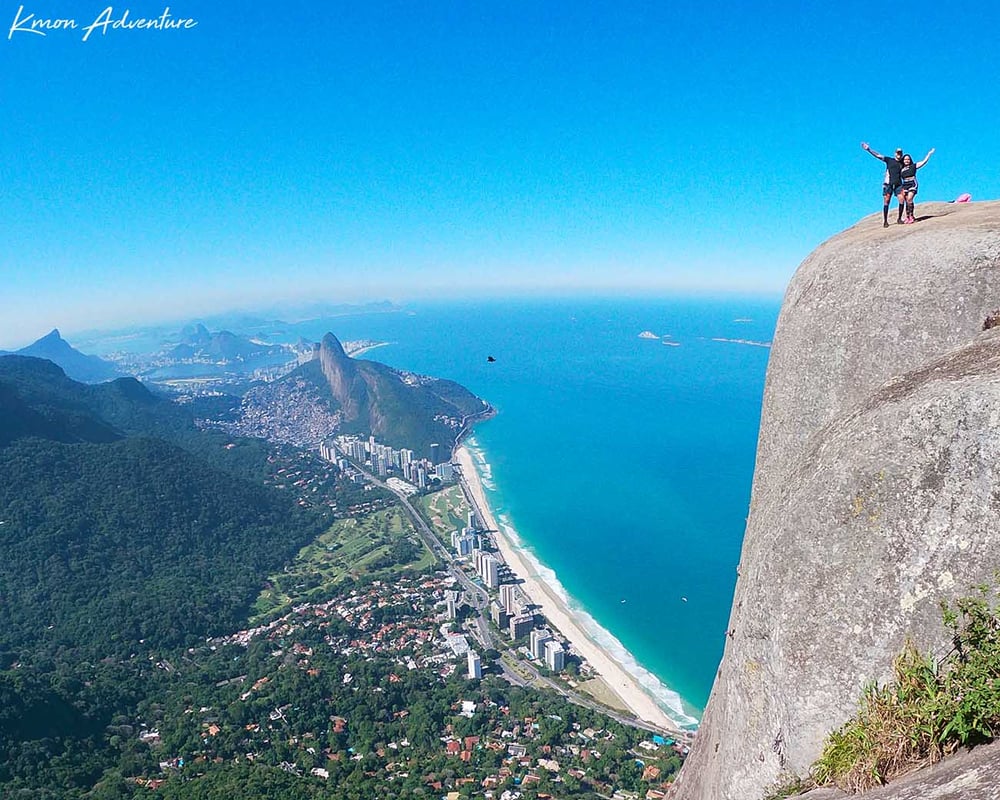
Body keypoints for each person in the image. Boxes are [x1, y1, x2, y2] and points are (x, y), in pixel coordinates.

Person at [861, 142, 905, 227]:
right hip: (888, 184)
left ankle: (899, 218)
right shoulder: (889, 160)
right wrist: (869, 150)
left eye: (900, 153)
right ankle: (885, 221)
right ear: (895, 154)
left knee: (901, 199)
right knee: (887, 201)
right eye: (898, 153)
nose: (899, 154)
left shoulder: (903, 163)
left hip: (898, 184)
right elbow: (878, 155)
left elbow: (911, 167)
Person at [899, 149, 935, 224]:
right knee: (906, 201)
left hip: (912, 183)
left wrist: (929, 154)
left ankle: (911, 216)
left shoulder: (914, 166)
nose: (907, 160)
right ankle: (907, 216)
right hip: (905, 184)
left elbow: (923, 162)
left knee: (909, 199)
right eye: (905, 159)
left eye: (908, 159)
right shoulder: (901, 169)